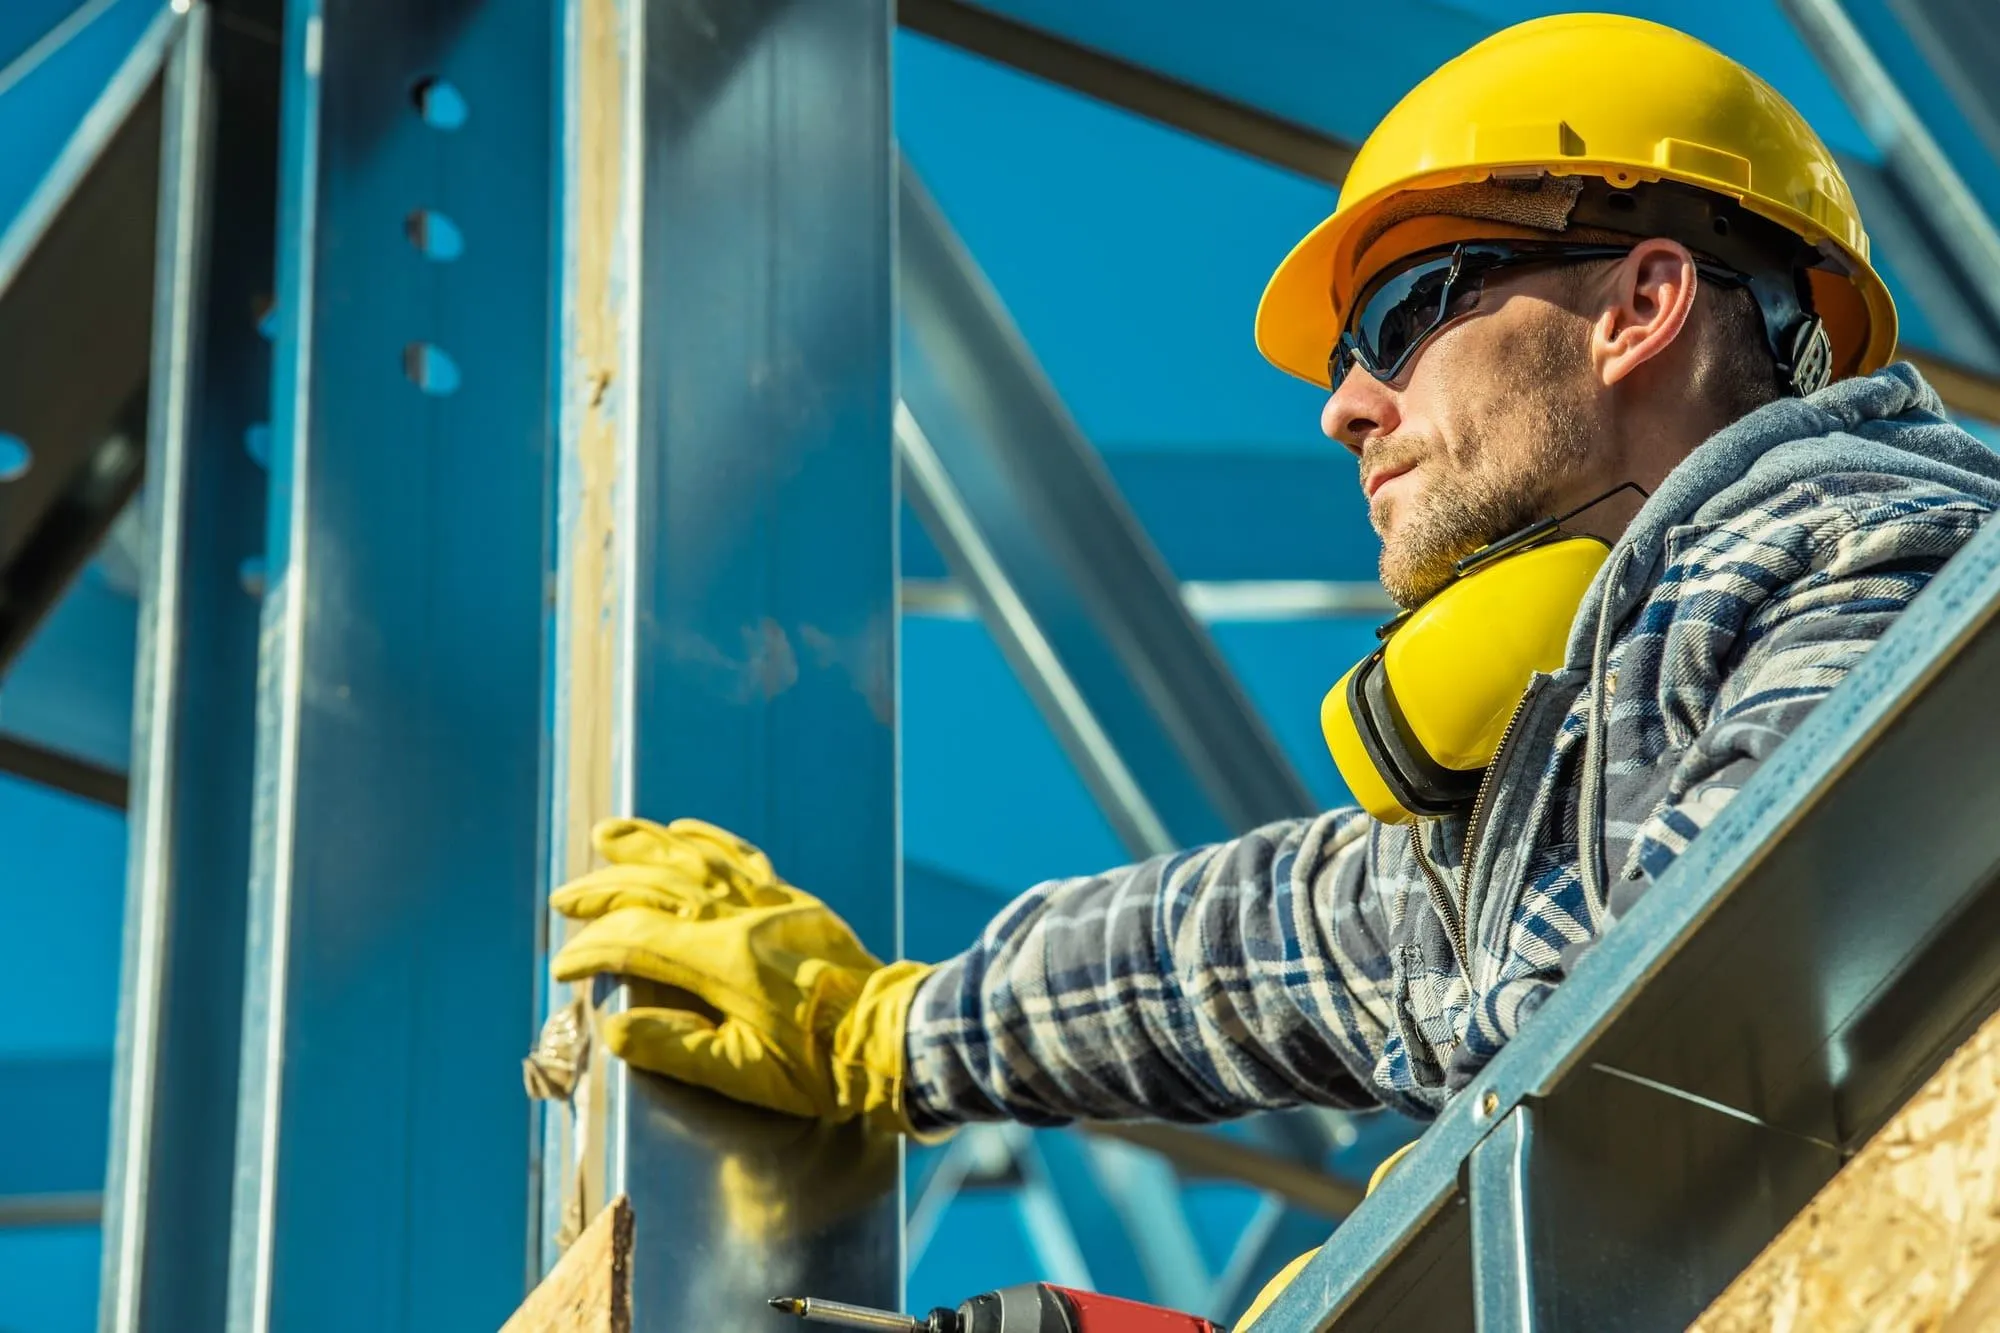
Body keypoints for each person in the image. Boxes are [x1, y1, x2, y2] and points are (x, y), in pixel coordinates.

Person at [545, 10, 2000, 1321]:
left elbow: (1705, 995)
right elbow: (1244, 944)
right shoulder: (1553, 787)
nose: (1347, 409)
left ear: (1639, 305)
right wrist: (880, 1027)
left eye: (1398, 320)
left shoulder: (1884, 556)